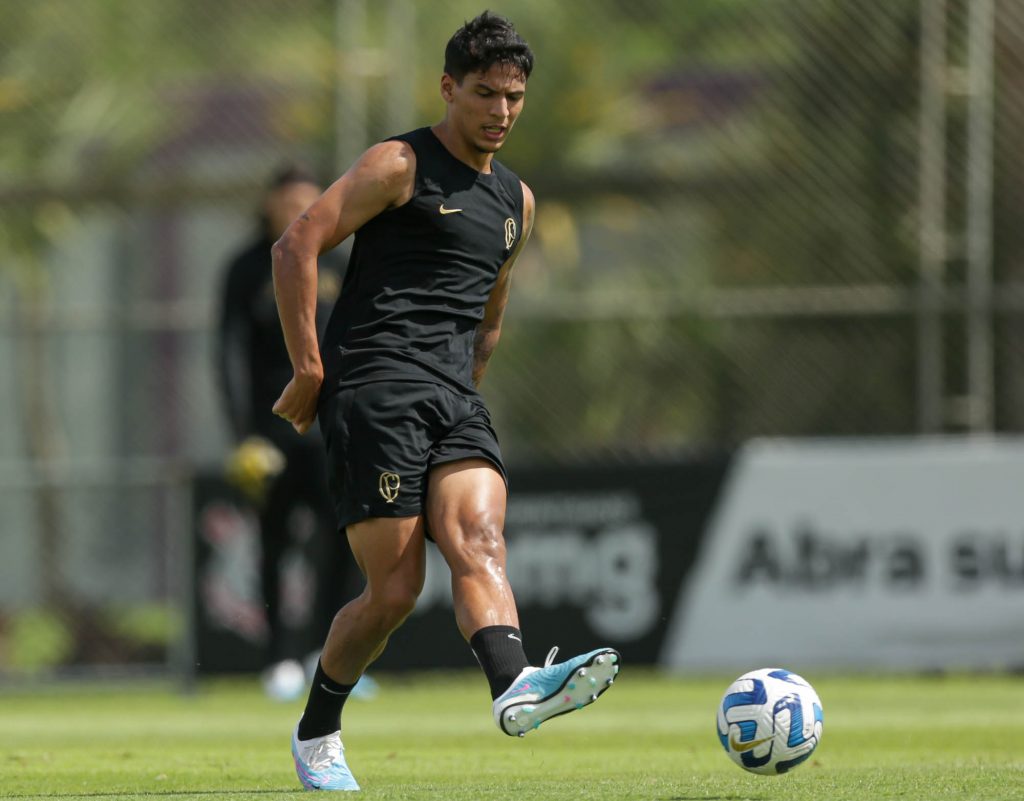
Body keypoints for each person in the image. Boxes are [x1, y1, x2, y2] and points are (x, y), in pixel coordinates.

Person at [271, 12, 620, 791]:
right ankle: (317, 731)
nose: (501, 111)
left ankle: (515, 685)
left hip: (454, 396)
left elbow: (489, 318)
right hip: (374, 389)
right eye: (486, 93)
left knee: (480, 537)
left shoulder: (516, 203)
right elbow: (295, 243)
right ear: (448, 88)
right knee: (394, 592)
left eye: (515, 97)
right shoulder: (399, 164)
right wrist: (308, 367)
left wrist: (465, 405)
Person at [217, 164, 371, 701]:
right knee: (274, 545)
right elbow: (228, 351)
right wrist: (243, 432)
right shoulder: (245, 267)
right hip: (273, 432)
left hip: (334, 429)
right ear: (267, 204)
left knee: (344, 544)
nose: (294, 210)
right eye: (285, 201)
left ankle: (326, 658)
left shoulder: (337, 260)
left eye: (306, 200)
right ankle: (278, 658)